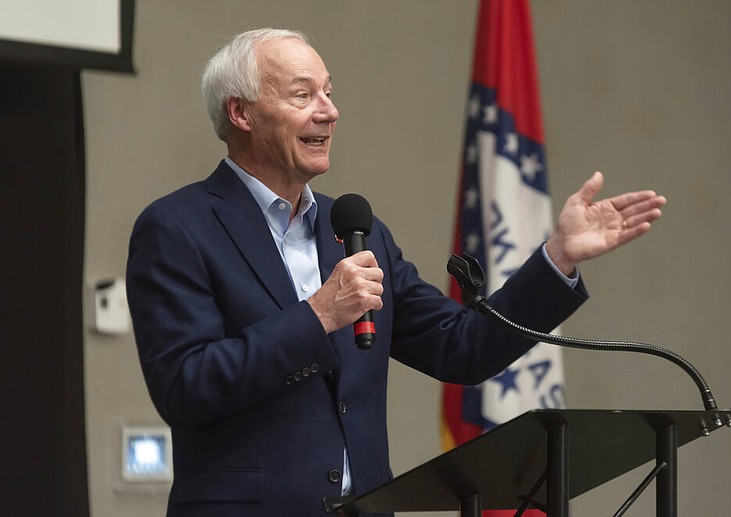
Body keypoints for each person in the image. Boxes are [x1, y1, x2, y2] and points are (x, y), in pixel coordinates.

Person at [126, 28, 666, 517]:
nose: (329, 111)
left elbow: (463, 348)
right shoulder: (178, 227)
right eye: (302, 94)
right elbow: (184, 386)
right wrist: (317, 316)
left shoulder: (355, 229)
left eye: (329, 91)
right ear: (241, 113)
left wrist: (558, 258)